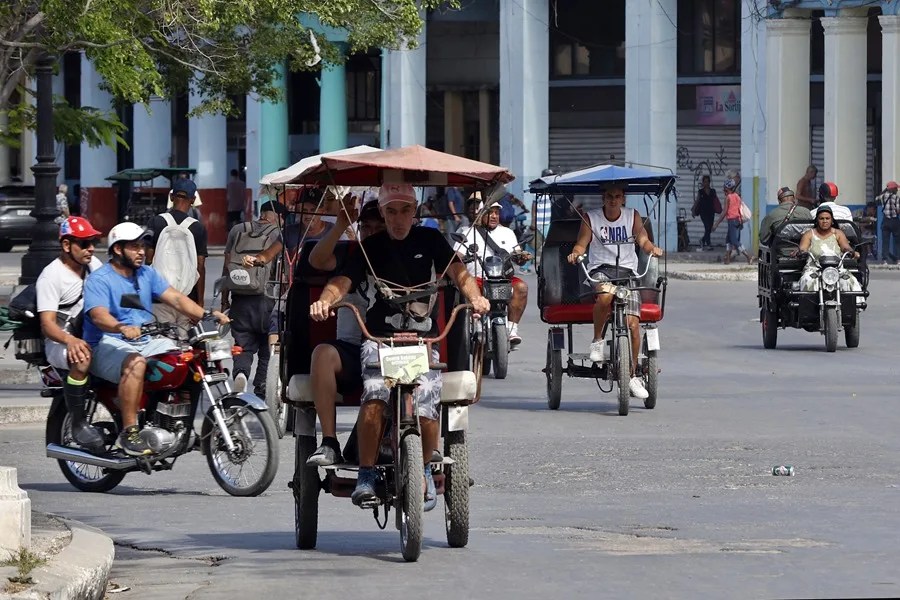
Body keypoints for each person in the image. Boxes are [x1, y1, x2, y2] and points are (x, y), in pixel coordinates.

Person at [310, 184, 490, 510]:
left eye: (405, 210)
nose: (398, 219)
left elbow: (459, 271)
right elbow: (342, 282)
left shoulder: (431, 240)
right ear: (382, 213)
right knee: (375, 397)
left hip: (422, 343)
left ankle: (421, 468)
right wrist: (325, 300)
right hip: (380, 342)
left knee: (428, 407)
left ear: (415, 211)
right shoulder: (369, 246)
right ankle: (365, 474)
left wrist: (475, 296)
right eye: (390, 211)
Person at [83, 222, 228, 456]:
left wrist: (208, 315)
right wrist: (121, 326)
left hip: (146, 341)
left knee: (188, 358)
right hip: (106, 342)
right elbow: (98, 315)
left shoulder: (146, 274)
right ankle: (129, 433)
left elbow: (177, 299)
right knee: (136, 362)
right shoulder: (100, 279)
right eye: (134, 247)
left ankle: (180, 424)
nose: (142, 251)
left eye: (142, 246)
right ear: (118, 250)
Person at [304, 199, 386, 466]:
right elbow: (317, 260)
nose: (372, 234)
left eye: (379, 228)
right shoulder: (351, 254)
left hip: (392, 348)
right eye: (367, 228)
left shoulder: (403, 254)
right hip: (352, 350)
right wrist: (341, 224)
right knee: (323, 354)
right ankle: (329, 441)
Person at [565, 185, 663, 401]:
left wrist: (651, 249)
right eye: (609, 196)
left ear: (623, 199)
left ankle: (633, 374)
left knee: (634, 325)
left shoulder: (632, 216)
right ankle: (598, 341)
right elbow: (581, 244)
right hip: (601, 271)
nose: (613, 200)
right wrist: (576, 253)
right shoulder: (591, 217)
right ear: (603, 198)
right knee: (605, 297)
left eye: (617, 196)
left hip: (627, 273)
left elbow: (642, 239)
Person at [36, 217, 104, 451]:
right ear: (67, 246)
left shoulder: (94, 264)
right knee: (82, 357)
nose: (91, 248)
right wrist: (71, 340)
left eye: (92, 242)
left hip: (92, 332)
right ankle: (78, 422)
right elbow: (48, 324)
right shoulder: (51, 276)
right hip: (61, 340)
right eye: (84, 243)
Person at [221, 201, 284, 396]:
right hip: (268, 299)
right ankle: (262, 384)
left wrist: (225, 299)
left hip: (240, 298)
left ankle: (240, 373)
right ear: (277, 217)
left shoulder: (238, 229)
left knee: (242, 344)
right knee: (267, 347)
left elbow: (227, 265)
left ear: (262, 213)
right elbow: (284, 272)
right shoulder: (278, 234)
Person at [453, 201, 532, 346]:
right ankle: (474, 322)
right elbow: (457, 255)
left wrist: (522, 257)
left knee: (521, 287)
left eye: (496, 212)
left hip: (502, 280)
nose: (494, 216)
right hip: (476, 279)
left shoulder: (508, 233)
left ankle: (512, 329)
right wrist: (462, 257)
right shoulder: (468, 232)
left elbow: (518, 253)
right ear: (480, 214)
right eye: (490, 212)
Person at [148, 178, 209, 329]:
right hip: (186, 300)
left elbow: (148, 260)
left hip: (160, 296)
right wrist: (200, 302)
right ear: (193, 200)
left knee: (163, 345)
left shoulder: (156, 222)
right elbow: (200, 266)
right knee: (186, 347)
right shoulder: (198, 228)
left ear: (171, 197)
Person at [796, 205, 862, 293]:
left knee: (850, 282)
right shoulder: (809, 234)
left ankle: (856, 306)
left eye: (827, 218)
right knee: (808, 281)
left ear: (832, 221)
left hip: (837, 270)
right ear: (817, 220)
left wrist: (851, 252)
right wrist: (801, 252)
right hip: (814, 269)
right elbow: (803, 248)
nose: (824, 221)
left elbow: (845, 247)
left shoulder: (838, 233)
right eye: (821, 218)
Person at [712, 179, 753, 264]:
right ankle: (727, 259)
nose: (724, 189)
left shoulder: (728, 198)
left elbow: (724, 213)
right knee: (728, 240)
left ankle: (748, 256)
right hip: (737, 220)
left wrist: (716, 224)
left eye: (725, 188)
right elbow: (739, 210)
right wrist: (741, 222)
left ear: (728, 188)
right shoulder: (737, 196)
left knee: (734, 241)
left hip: (732, 221)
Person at [693, 175, 720, 249]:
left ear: (709, 182)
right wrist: (693, 210)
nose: (706, 183)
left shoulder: (713, 191)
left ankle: (703, 240)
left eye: (707, 182)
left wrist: (718, 208)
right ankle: (708, 244)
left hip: (711, 212)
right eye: (705, 182)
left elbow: (716, 201)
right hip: (703, 212)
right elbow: (697, 201)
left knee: (709, 228)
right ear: (703, 182)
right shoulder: (700, 191)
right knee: (707, 227)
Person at [878, 181, 900, 264]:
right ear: (893, 189)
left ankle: (884, 260)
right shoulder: (896, 197)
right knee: (897, 241)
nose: (897, 190)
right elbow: (897, 211)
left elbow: (877, 198)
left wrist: (885, 190)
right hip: (894, 220)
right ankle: (898, 259)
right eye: (896, 188)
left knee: (885, 241)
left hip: (885, 221)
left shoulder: (882, 196)